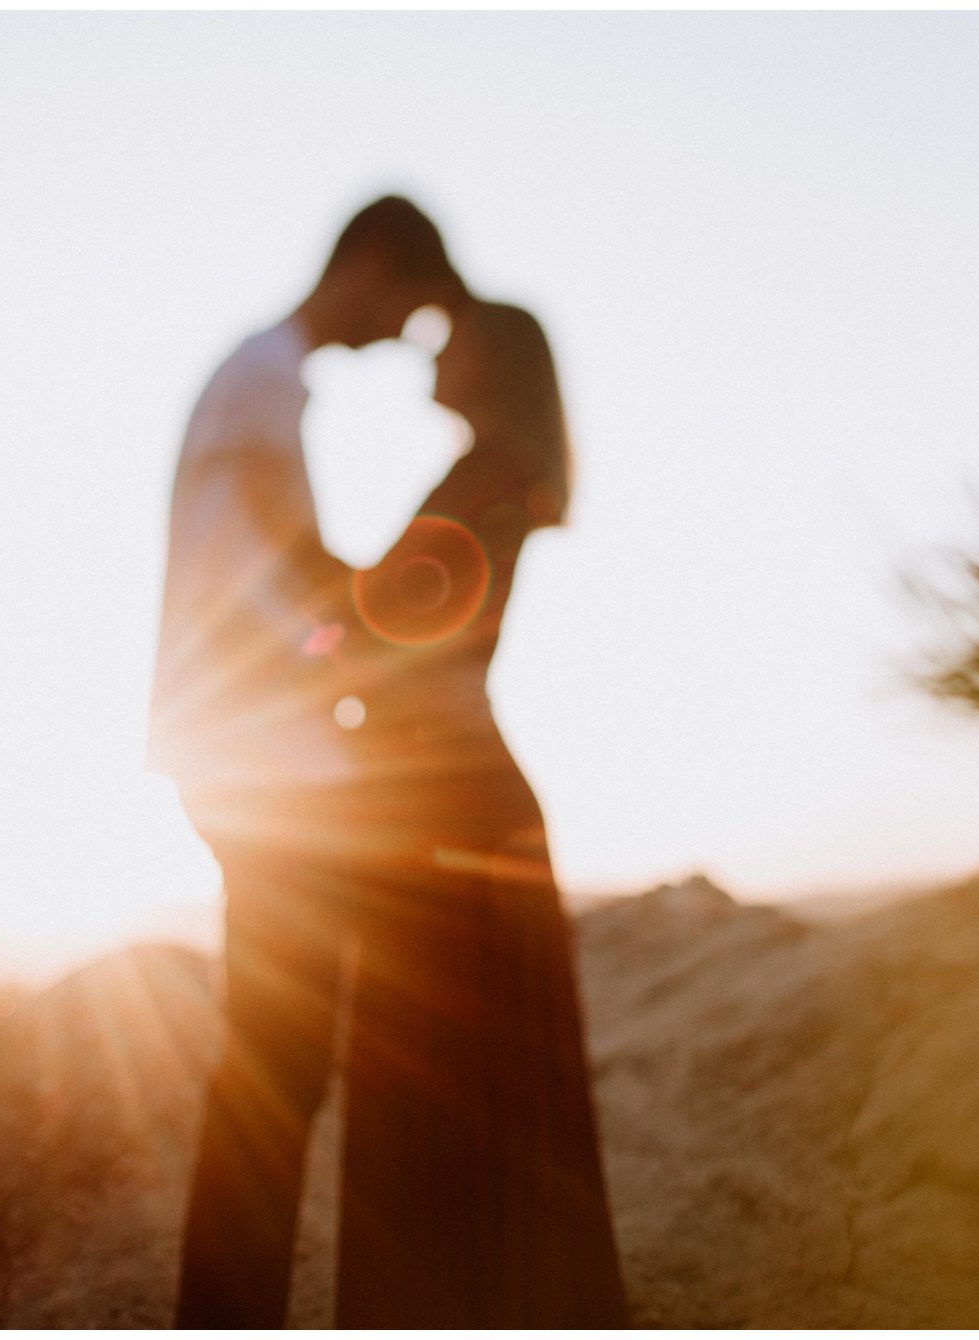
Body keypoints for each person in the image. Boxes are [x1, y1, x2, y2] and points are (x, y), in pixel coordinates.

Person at [150, 199, 626, 1327]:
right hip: (326, 773)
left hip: (409, 787)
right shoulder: (274, 385)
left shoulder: (479, 472)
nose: (420, 341)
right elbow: (330, 596)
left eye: (443, 328)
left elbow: (368, 618)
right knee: (340, 1074)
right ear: (373, 266)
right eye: (417, 310)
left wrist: (335, 645)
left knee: (372, 1074)